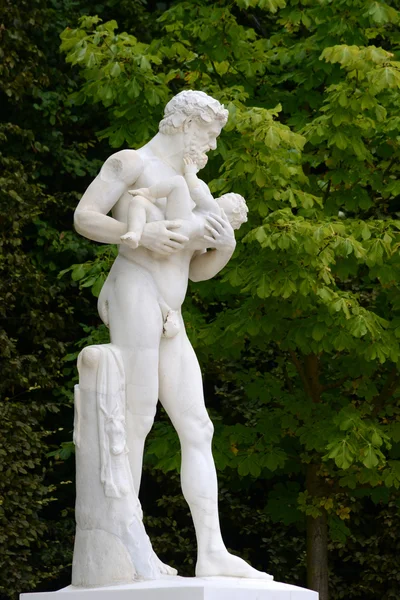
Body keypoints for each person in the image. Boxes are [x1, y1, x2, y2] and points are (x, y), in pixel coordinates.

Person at [74, 90, 271, 580]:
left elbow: (200, 271)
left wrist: (222, 247)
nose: (210, 145)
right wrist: (133, 235)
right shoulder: (131, 164)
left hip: (171, 312)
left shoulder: (195, 187)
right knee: (136, 417)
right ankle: (129, 541)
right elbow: (83, 216)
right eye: (208, 134)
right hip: (134, 289)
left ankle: (211, 551)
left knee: (197, 425)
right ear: (184, 124)